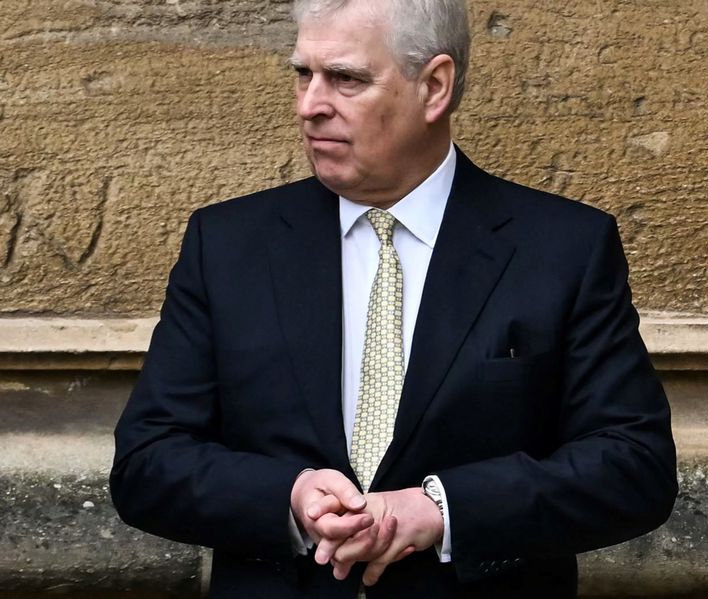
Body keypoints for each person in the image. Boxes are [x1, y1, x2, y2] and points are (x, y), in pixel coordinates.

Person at [108, 0, 678, 596]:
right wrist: (290, 498)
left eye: (345, 78)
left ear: (434, 87)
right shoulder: (227, 245)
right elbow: (148, 461)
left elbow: (633, 466)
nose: (309, 105)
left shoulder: (563, 249)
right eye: (304, 74)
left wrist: (443, 510)